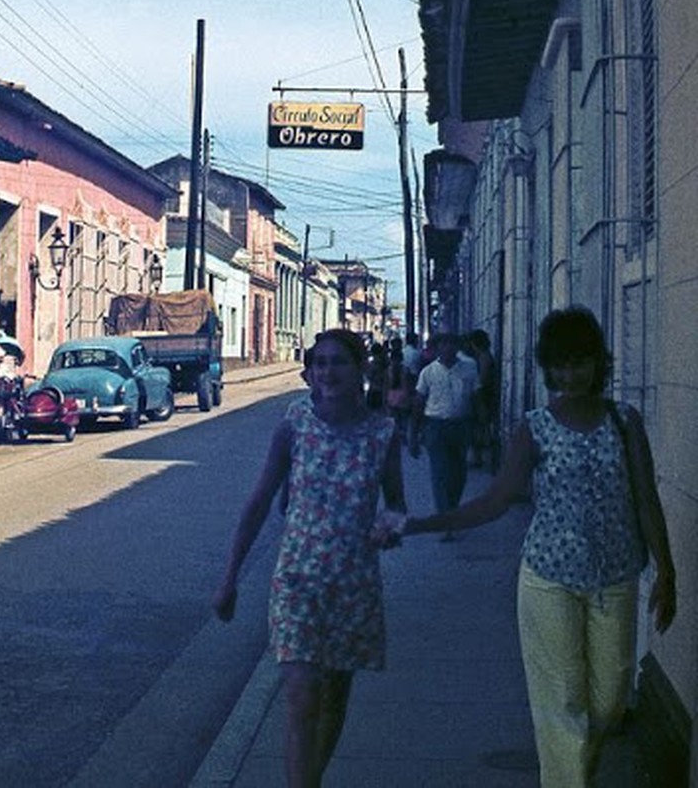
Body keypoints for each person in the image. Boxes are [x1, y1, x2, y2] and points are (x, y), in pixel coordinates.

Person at [391, 307, 676, 787]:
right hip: (548, 580)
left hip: (616, 577)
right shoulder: (535, 427)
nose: (571, 374)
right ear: (549, 368)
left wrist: (667, 571)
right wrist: (420, 524)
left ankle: (574, 771)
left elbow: (646, 497)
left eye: (580, 362)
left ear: (598, 363)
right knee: (562, 703)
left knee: (608, 702)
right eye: (561, 364)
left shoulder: (625, 422)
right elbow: (497, 499)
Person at [212, 329, 406, 788]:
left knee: (334, 698)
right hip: (297, 581)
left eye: (339, 362)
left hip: (354, 585)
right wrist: (230, 577)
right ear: (310, 373)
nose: (328, 372)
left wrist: (390, 525)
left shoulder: (383, 434)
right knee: (301, 696)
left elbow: (397, 502)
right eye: (320, 363)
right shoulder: (295, 425)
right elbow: (260, 501)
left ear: (361, 370)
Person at [412, 332, 479, 538]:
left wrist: (481, 428)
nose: (448, 348)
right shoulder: (428, 372)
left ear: (457, 346)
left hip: (461, 426)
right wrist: (413, 434)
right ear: (437, 348)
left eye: (452, 344)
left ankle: (452, 508)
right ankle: (445, 520)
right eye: (444, 344)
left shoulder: (469, 368)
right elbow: (418, 403)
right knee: (440, 474)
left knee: (458, 473)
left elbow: (476, 398)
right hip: (435, 427)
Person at [466, 329, 500, 471]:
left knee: (481, 427)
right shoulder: (485, 356)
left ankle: (485, 458)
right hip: (487, 396)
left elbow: (483, 380)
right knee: (481, 427)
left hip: (484, 397)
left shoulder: (484, 358)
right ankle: (480, 457)